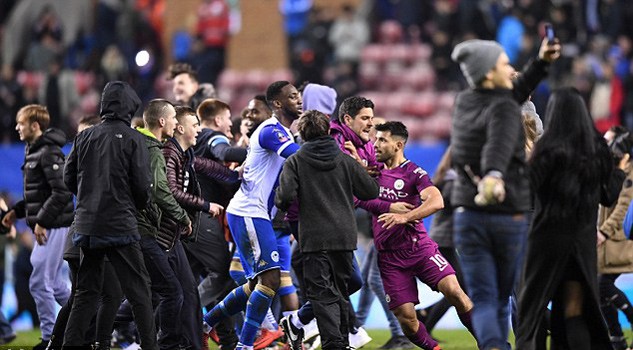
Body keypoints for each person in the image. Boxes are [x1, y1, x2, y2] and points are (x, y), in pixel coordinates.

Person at [449, 37, 560, 350]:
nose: (510, 69)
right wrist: (496, 174)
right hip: (507, 212)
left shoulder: (466, 104)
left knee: (490, 298)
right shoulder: (501, 107)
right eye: (503, 64)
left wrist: (540, 62)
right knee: (522, 293)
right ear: (487, 73)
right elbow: (499, 142)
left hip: (470, 215)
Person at [516, 88, 626, 349]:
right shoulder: (597, 150)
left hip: (546, 240)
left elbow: (526, 189)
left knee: (532, 311)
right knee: (574, 310)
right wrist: (619, 173)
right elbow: (609, 197)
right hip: (581, 241)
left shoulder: (546, 148)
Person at [356, 122, 475, 350]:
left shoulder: (414, 172)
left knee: (456, 292)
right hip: (389, 258)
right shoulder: (371, 174)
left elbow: (436, 201)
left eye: (382, 140)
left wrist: (406, 216)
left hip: (420, 248)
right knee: (408, 322)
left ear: (398, 145)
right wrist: (389, 208)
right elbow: (356, 199)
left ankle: (488, 345)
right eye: (376, 139)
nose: (376, 144)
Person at [202, 81, 302, 350]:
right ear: (278, 103)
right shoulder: (271, 130)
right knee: (268, 281)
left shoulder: (282, 132)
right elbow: (300, 159)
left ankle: (205, 324)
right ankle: (245, 344)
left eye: (299, 96)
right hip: (249, 212)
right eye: (293, 96)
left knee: (256, 283)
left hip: (256, 214)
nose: (299, 100)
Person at [62, 81, 157, 349]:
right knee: (140, 291)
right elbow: (141, 185)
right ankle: (150, 346)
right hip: (120, 225)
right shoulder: (134, 138)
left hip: (87, 226)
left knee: (85, 293)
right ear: (129, 106)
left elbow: (68, 178)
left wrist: (89, 199)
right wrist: (134, 205)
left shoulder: (83, 137)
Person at [275, 110, 379, 350]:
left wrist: (284, 199)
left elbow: (285, 197)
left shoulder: (296, 161)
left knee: (322, 293)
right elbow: (371, 191)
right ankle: (341, 342)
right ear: (327, 131)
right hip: (343, 236)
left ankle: (334, 344)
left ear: (303, 133)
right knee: (341, 290)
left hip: (313, 237)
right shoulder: (344, 159)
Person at [160, 105, 240, 349]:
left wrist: (237, 176)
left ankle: (212, 336)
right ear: (181, 128)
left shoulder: (187, 154)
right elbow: (172, 192)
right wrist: (205, 205)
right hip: (189, 223)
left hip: (185, 224)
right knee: (220, 274)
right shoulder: (171, 152)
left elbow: (208, 166)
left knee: (185, 286)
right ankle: (194, 324)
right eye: (194, 125)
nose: (198, 129)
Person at [1, 104, 73, 350]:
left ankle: (50, 337)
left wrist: (41, 221)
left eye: (21, 123)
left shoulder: (49, 152)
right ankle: (88, 322)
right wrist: (16, 211)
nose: (16, 127)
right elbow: (38, 196)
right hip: (48, 224)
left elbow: (62, 192)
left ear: (35, 125)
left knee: (40, 281)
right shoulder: (33, 150)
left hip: (54, 225)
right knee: (54, 284)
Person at [136, 99, 196, 350]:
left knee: (143, 294)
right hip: (145, 231)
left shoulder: (140, 144)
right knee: (170, 292)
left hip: (139, 228)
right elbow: (162, 191)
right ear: (162, 122)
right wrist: (183, 216)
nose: (175, 122)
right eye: (173, 118)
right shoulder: (154, 150)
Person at [597, 126, 633, 350]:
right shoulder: (608, 168)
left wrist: (603, 231)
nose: (607, 145)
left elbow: (622, 207)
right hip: (611, 238)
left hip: (620, 238)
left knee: (600, 283)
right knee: (599, 285)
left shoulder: (627, 173)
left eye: (610, 141)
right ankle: (617, 339)